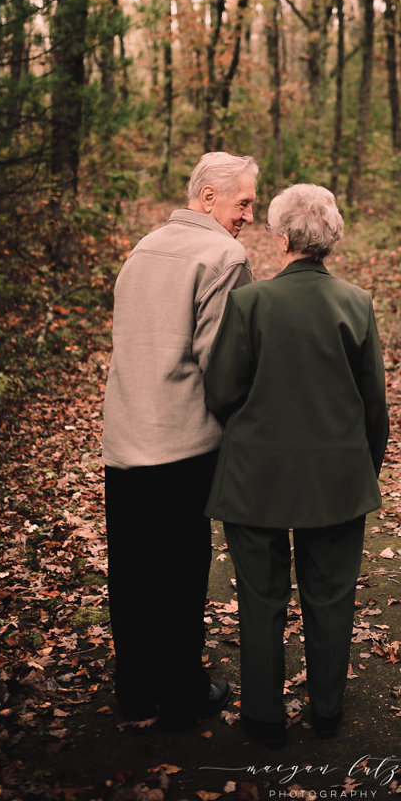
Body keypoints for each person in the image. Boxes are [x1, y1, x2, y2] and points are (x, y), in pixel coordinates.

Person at [203, 183, 389, 749]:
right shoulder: (356, 303)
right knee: (330, 595)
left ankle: (264, 715)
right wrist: (362, 469)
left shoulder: (250, 303)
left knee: (261, 596)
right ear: (328, 239)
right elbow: (373, 404)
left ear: (282, 239)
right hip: (336, 478)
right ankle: (326, 711)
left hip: (256, 478)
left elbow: (222, 391)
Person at [102, 151, 258, 728]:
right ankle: (183, 693)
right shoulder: (224, 255)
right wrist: (242, 423)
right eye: (243, 202)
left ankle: (137, 689)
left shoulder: (144, 246)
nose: (250, 215)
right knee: (180, 566)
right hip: (182, 441)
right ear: (209, 197)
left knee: (133, 567)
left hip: (123, 434)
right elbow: (221, 362)